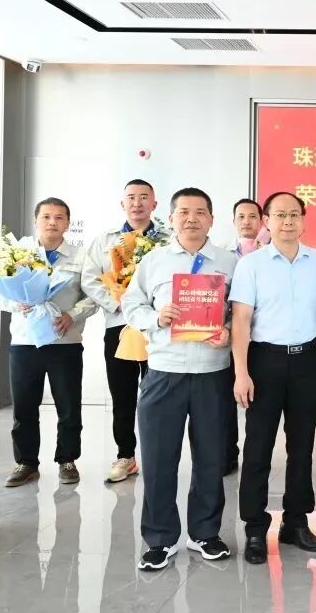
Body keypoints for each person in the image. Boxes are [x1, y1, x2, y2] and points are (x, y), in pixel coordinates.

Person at [122, 187, 238, 570]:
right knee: (158, 460)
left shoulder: (230, 263)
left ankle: (205, 533)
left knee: (211, 459)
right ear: (171, 218)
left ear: (211, 219)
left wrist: (227, 330)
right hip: (164, 373)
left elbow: (243, 311)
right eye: (184, 212)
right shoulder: (154, 261)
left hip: (212, 373)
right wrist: (156, 318)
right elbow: (131, 304)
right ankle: (160, 539)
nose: (192, 219)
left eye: (200, 212)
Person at [231, 192, 316, 564]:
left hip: (306, 359)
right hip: (264, 361)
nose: (288, 221)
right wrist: (241, 372)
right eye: (280, 215)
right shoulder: (251, 265)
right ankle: (255, 527)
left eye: (294, 214)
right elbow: (241, 320)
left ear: (304, 219)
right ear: (266, 221)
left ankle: (296, 522)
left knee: (302, 447)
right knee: (258, 447)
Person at [0, 198, 97, 487]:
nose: (52, 222)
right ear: (36, 220)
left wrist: (72, 315)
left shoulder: (82, 257)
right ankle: (26, 463)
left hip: (64, 342)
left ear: (68, 223)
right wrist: (16, 303)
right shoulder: (17, 254)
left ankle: (67, 460)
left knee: (69, 406)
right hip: (24, 342)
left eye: (59, 217)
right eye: (46, 217)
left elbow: (94, 296)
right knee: (24, 406)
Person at [80, 179, 164, 484]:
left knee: (159, 396)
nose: (137, 203)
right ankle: (126, 456)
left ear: (154, 204)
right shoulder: (104, 240)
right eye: (131, 197)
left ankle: (158, 455)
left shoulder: (168, 240)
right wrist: (118, 303)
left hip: (156, 328)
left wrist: (152, 309)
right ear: (122, 203)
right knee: (123, 395)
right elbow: (90, 279)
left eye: (144, 197)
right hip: (119, 326)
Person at [221, 197, 265, 475]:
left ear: (262, 222)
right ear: (233, 221)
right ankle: (228, 454)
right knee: (226, 401)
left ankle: (254, 457)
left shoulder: (272, 253)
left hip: (261, 340)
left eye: (252, 216)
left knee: (257, 403)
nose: (247, 221)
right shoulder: (222, 256)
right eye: (241, 216)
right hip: (228, 338)